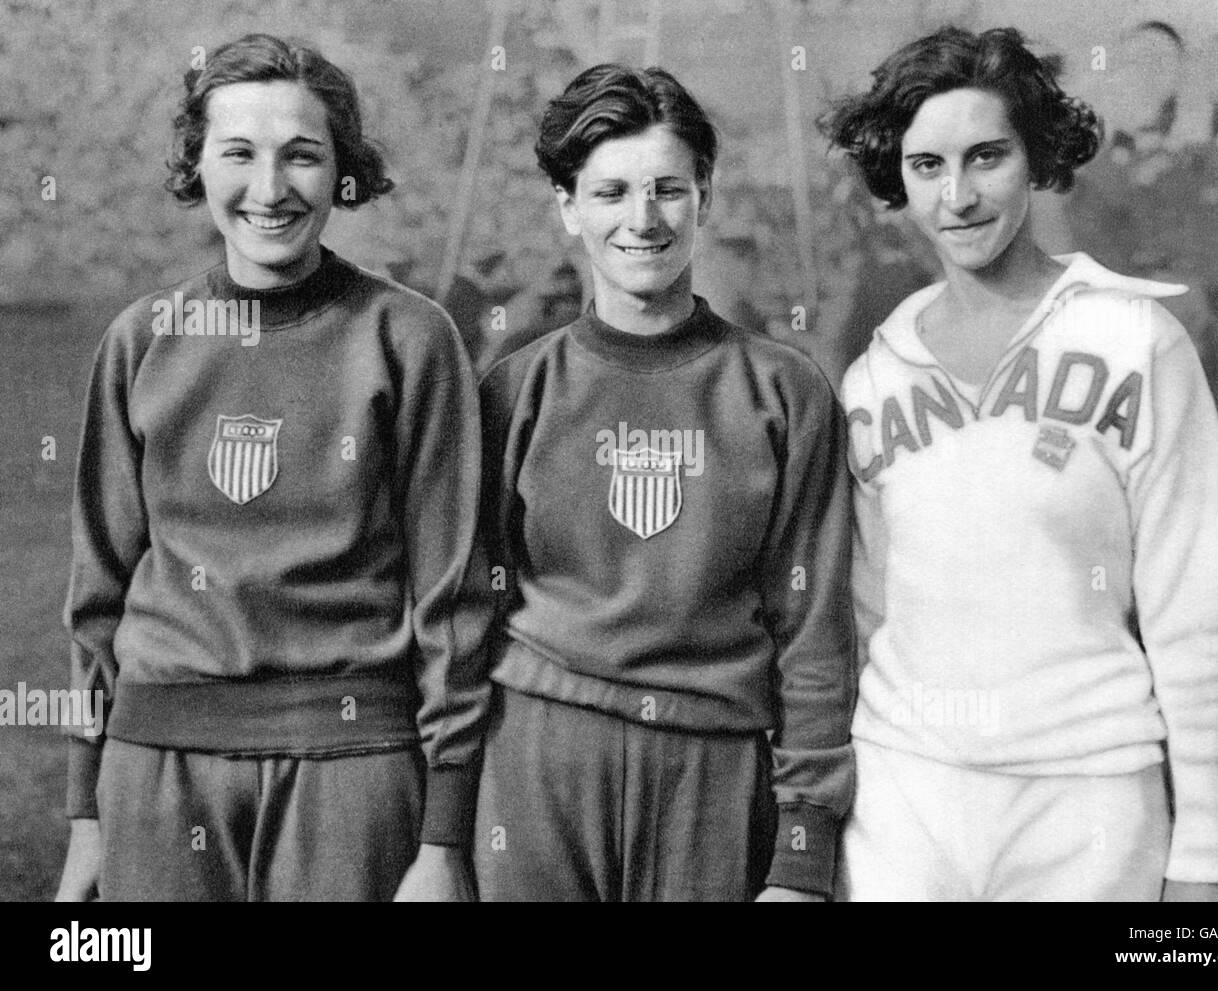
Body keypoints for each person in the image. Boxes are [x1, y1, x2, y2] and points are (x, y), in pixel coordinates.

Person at [404, 64, 856, 902]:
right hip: (537, 757)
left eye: (667, 190)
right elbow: (463, 613)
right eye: (610, 191)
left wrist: (802, 850)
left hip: (711, 765)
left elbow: (814, 630)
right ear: (570, 208)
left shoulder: (784, 392)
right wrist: (445, 829)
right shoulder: (516, 387)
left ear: (704, 198)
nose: (641, 220)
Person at [821, 26, 1218, 901]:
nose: (959, 195)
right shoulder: (870, 378)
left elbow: (1194, 609)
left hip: (1089, 795)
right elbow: (864, 617)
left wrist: (1210, 853)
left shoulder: (1137, 341)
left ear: (1036, 156)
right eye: (928, 165)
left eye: (987, 157)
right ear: (896, 178)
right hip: (906, 796)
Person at [55, 33, 481, 901]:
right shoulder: (144, 339)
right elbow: (97, 593)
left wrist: (444, 835)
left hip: (354, 764)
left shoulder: (409, 337)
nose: (270, 189)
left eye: (303, 157)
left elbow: (454, 601)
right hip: (158, 768)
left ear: (343, 170)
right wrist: (86, 812)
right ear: (197, 164)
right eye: (239, 154)